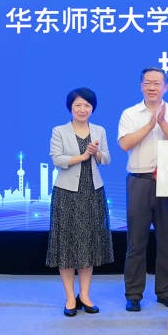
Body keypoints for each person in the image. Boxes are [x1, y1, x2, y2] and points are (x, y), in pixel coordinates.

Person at [117, 67, 168, 312]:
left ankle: (165, 291)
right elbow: (125, 144)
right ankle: (134, 294)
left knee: (167, 240)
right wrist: (149, 125)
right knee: (136, 241)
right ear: (141, 85)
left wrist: (162, 122)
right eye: (148, 82)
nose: (152, 87)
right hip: (139, 180)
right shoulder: (130, 113)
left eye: (157, 83)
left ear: (166, 87)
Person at [45, 87, 114, 317]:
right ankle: (69, 298)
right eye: (78, 105)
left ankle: (84, 295)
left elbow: (107, 159)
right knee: (66, 245)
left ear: (92, 108)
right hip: (66, 193)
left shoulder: (99, 130)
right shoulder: (59, 131)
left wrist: (96, 153)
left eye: (87, 105)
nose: (82, 109)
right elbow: (57, 159)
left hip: (92, 192)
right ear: (70, 108)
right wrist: (82, 156)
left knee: (88, 244)